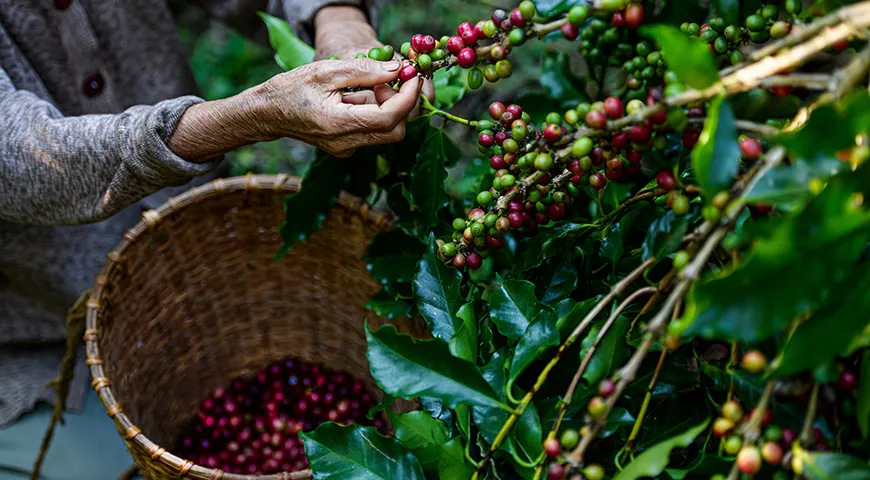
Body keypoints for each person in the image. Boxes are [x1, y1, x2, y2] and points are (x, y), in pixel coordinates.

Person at [0, 1, 429, 477]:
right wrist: (251, 116)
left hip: (204, 249)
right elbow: (18, 157)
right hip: (42, 336)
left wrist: (338, 20)